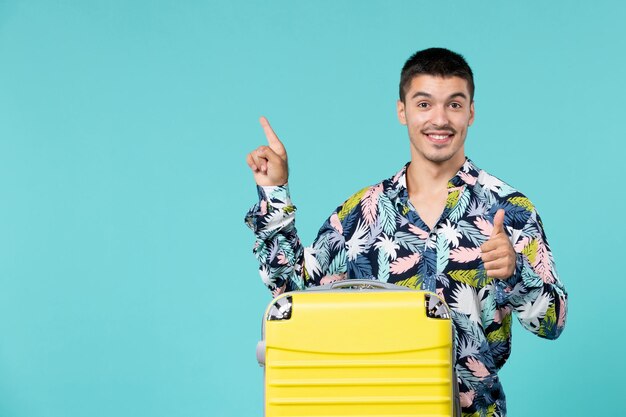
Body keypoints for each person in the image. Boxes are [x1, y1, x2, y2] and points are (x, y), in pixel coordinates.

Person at [244, 47, 567, 416]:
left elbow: (552, 323)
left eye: (455, 105)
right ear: (403, 111)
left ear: (471, 113)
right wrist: (274, 192)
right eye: (424, 104)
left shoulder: (510, 211)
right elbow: (291, 292)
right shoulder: (361, 214)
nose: (440, 119)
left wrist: (515, 272)